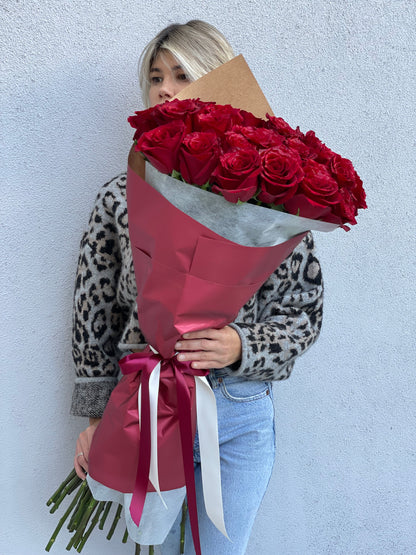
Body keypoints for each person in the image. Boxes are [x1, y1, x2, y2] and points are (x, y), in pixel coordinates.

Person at [71, 20, 324, 554]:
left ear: (217, 82)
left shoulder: (268, 203)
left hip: (240, 409)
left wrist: (242, 345)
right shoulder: (121, 196)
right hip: (149, 404)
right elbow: (93, 314)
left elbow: (304, 311)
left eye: (181, 74)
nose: (164, 88)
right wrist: (98, 417)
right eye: (155, 76)